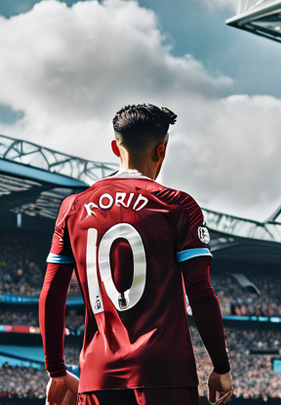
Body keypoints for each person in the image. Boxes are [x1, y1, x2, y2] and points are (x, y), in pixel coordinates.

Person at [40, 104, 232, 405]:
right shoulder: (178, 205)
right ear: (162, 150)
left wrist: (56, 371)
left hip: (98, 377)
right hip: (165, 376)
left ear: (115, 148)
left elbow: (52, 293)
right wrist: (221, 367)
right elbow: (200, 292)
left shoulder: (73, 207)